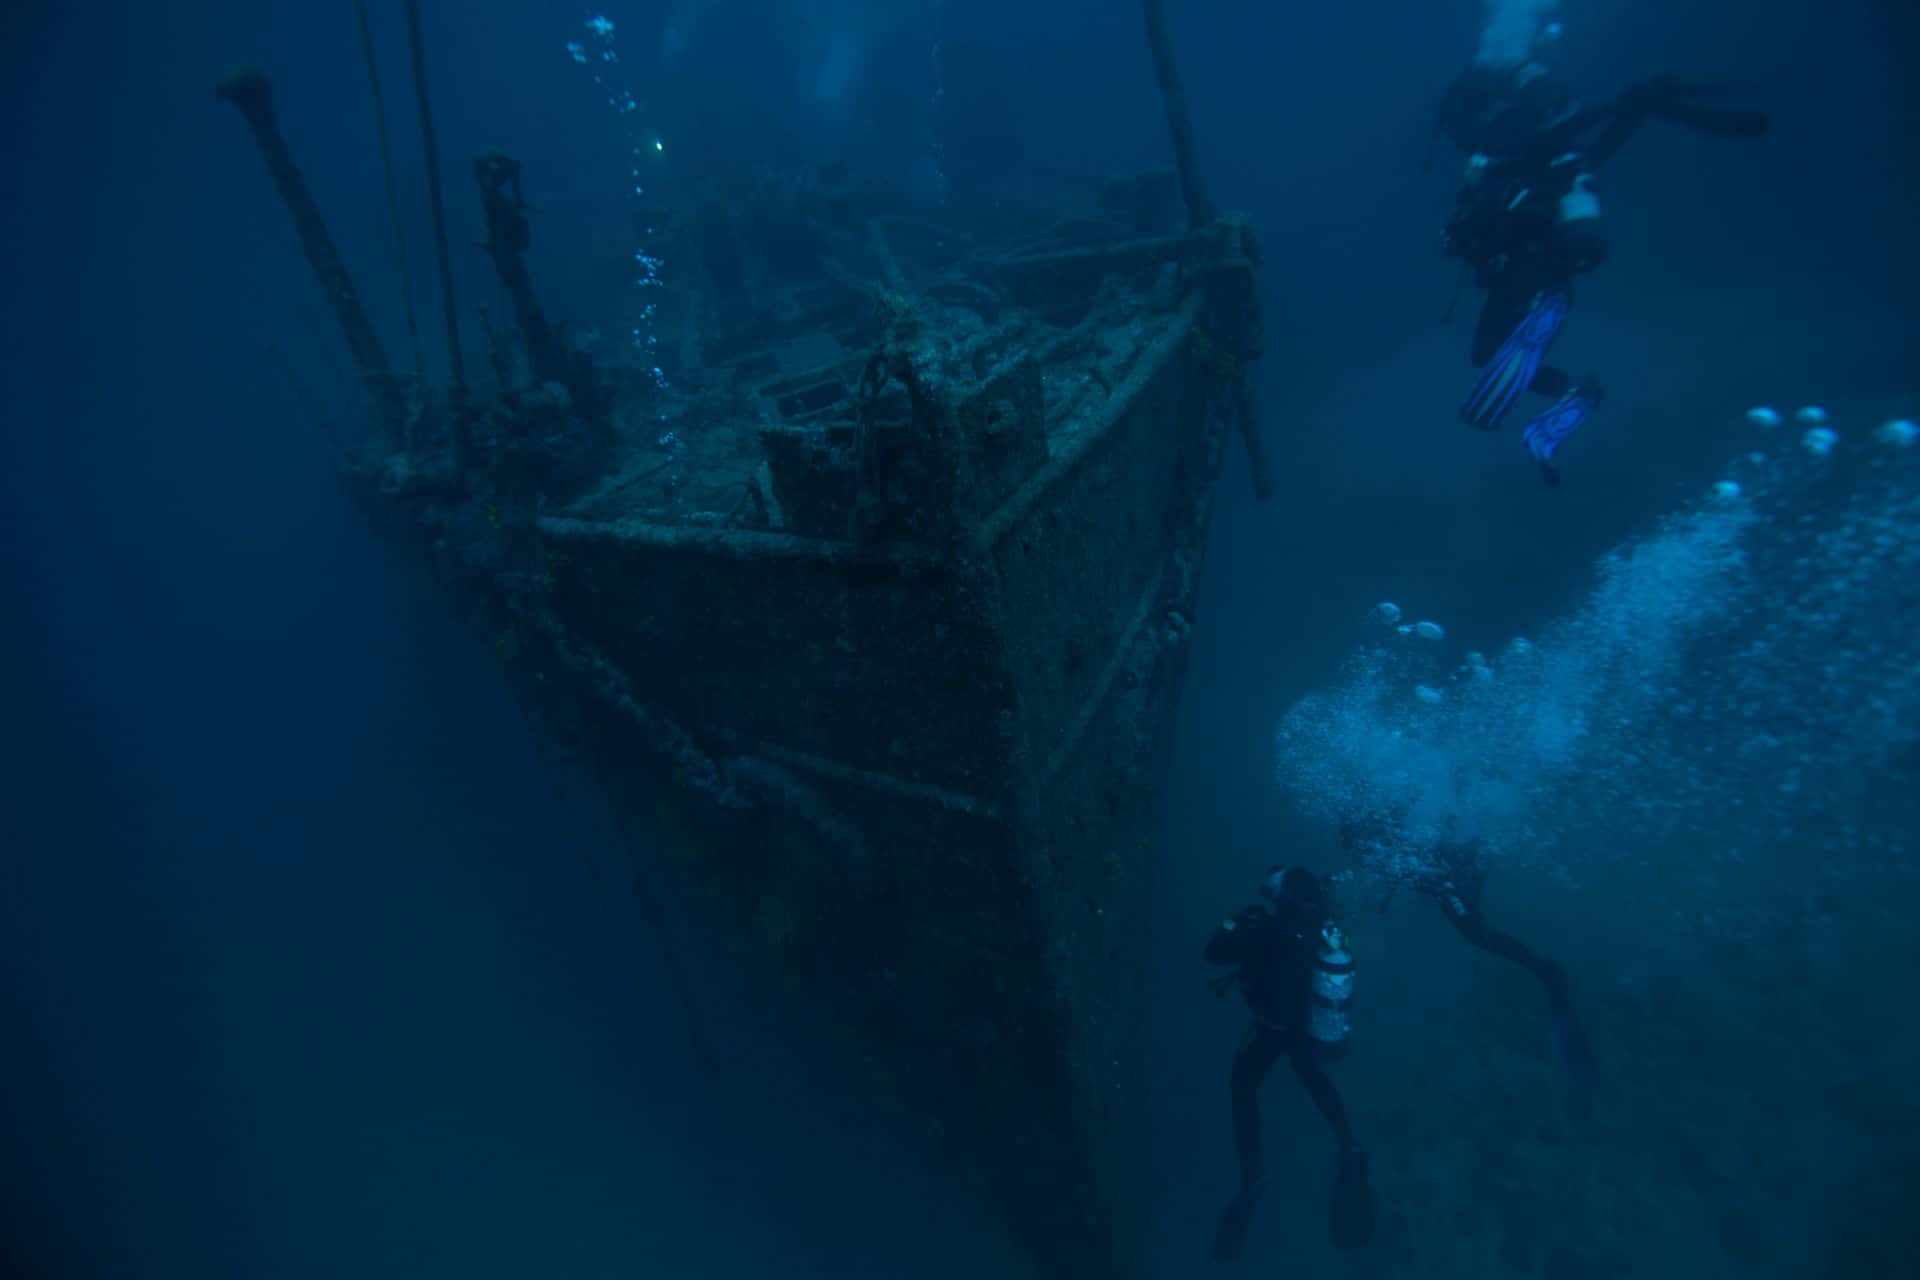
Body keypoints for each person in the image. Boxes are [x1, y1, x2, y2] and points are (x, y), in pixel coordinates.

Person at [1433, 37, 1771, 484]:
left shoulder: (1518, 160)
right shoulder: (1536, 167)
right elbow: (1582, 153)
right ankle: (1576, 387)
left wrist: (1625, 107)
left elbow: (1553, 154)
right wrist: (1632, 107)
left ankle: (1552, 325)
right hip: (1543, 269)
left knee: (1489, 351)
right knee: (1488, 353)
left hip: (1532, 266)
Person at [1341, 812, 1595, 1077]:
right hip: (1456, 869)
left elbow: (1423, 866)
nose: (1362, 854)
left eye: (1357, 844)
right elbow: (1411, 864)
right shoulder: (1388, 837)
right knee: (1476, 930)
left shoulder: (1385, 843)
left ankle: (1547, 972)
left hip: (1453, 876)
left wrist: (1440, 884)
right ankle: (1544, 971)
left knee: (1477, 934)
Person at [1204, 866, 1371, 1262]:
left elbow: (1212, 953)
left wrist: (1234, 921)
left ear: (1281, 895)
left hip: (1271, 1027)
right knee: (1313, 1078)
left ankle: (1253, 1176)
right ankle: (1349, 1142)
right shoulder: (1323, 926)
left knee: (1243, 1086)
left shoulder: (1262, 925)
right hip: (1307, 1029)